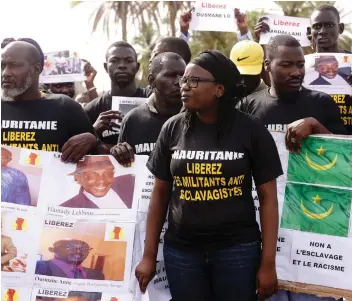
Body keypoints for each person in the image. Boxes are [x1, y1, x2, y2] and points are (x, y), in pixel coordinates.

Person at [136, 50, 283, 301]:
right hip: (182, 253)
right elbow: (159, 196)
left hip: (237, 251)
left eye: (194, 81)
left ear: (219, 89)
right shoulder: (172, 128)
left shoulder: (251, 130)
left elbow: (268, 198)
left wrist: (268, 263)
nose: (184, 86)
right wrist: (149, 256)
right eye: (184, 79)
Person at [239, 35, 346, 301]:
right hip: (262, 226)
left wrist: (316, 126)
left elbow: (346, 165)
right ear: (267, 65)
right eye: (286, 65)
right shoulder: (248, 107)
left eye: (300, 64)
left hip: (313, 226)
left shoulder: (321, 103)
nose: (296, 72)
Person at [1, 40, 98, 163]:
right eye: (2, 66)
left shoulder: (65, 107)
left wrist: (91, 140)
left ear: (37, 69)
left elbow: (101, 153)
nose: (5, 73)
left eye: (14, 65)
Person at [111, 52, 186, 166]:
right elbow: (124, 168)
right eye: (170, 75)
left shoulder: (196, 117)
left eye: (183, 76)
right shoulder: (133, 120)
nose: (178, 82)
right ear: (152, 80)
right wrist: (118, 153)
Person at [84, 41, 148, 149]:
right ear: (105, 67)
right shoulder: (92, 109)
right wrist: (93, 132)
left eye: (128, 61)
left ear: (137, 67)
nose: (122, 65)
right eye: (114, 61)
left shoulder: (151, 100)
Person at [60, 156, 135, 209]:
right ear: (78, 177)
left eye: (108, 173)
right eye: (92, 175)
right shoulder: (67, 208)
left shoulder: (131, 181)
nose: (101, 181)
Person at [35, 239, 105, 280]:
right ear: (52, 249)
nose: (78, 251)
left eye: (84, 248)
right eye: (69, 247)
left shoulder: (98, 275)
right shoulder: (36, 268)